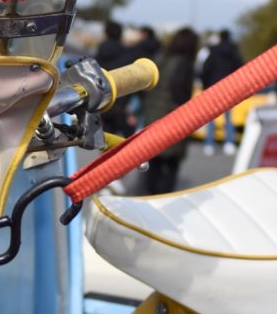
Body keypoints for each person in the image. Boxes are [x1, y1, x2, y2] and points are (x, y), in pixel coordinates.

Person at [142, 27, 199, 194]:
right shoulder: (184, 64)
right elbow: (180, 93)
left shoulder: (160, 58)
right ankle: (163, 198)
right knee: (171, 165)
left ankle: (149, 197)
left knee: (153, 162)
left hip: (152, 116)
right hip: (173, 119)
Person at [200, 29, 244, 156]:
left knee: (211, 117)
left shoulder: (213, 51)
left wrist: (205, 85)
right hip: (229, 86)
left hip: (214, 86)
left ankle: (209, 144)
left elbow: (205, 69)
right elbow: (241, 66)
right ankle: (229, 143)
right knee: (229, 117)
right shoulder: (234, 51)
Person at [96, 21, 134, 136]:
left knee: (105, 139)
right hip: (120, 103)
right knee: (120, 141)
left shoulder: (100, 52)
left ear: (106, 33)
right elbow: (130, 79)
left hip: (102, 101)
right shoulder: (127, 53)